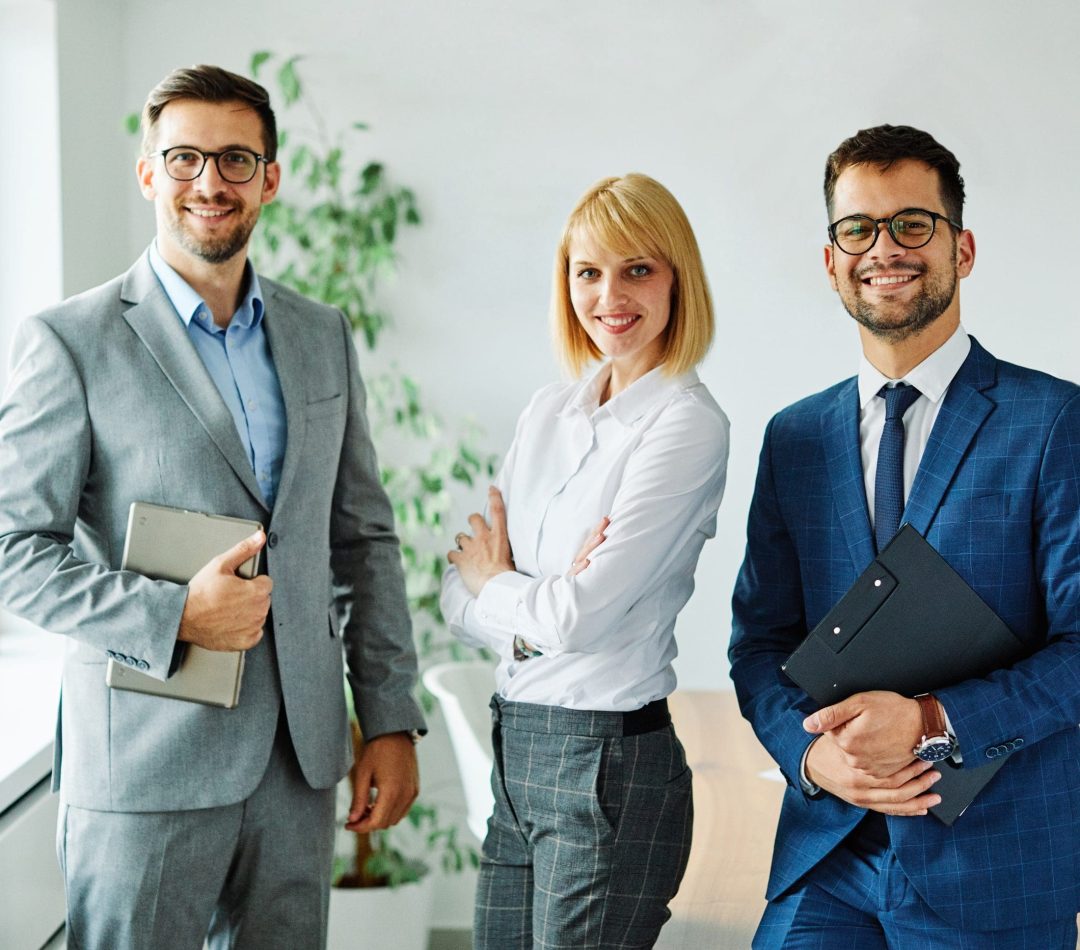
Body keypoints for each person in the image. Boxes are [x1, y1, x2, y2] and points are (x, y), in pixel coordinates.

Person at [0, 65, 425, 950]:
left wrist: (387, 716)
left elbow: (362, 540)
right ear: (149, 170)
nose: (211, 182)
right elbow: (15, 546)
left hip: (298, 763)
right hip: (144, 760)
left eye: (236, 159)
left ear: (271, 178)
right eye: (185, 156)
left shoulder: (321, 334)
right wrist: (174, 615)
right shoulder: (68, 342)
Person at [729, 124, 1080, 948]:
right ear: (831, 260)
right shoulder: (795, 438)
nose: (883, 248)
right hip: (829, 857)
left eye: (912, 224)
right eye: (858, 228)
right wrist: (812, 760)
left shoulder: (1055, 423)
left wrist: (931, 722)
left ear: (962, 248)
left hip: (993, 869)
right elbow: (759, 643)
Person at [440, 172, 729, 949]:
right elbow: (453, 592)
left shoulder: (685, 425)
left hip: (606, 766)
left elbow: (576, 614)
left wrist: (505, 586)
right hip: (518, 749)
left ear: (678, 279)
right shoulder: (549, 411)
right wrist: (529, 596)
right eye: (587, 271)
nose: (610, 295)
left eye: (639, 268)